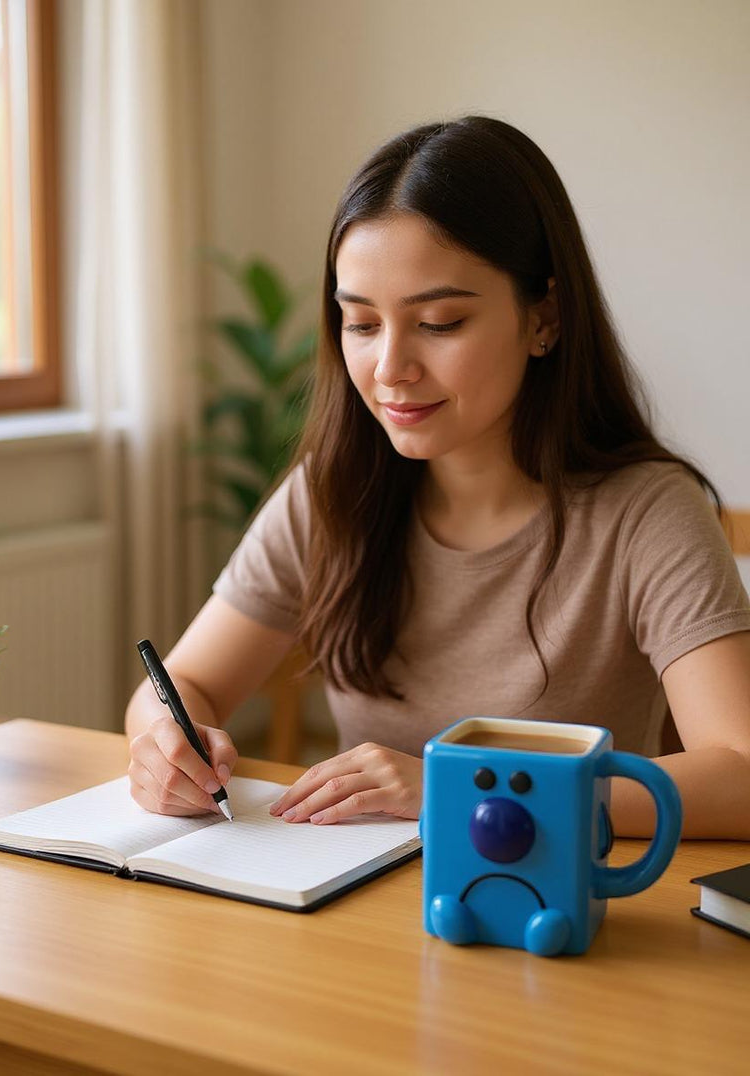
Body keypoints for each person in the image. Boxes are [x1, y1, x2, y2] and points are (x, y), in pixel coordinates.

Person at [125, 116, 750, 839]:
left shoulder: (647, 514)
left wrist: (463, 786)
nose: (391, 368)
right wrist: (164, 747)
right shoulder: (332, 495)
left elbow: (738, 770)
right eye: (361, 324)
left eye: (441, 322)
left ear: (543, 317)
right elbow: (184, 686)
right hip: (353, 903)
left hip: (544, 917)